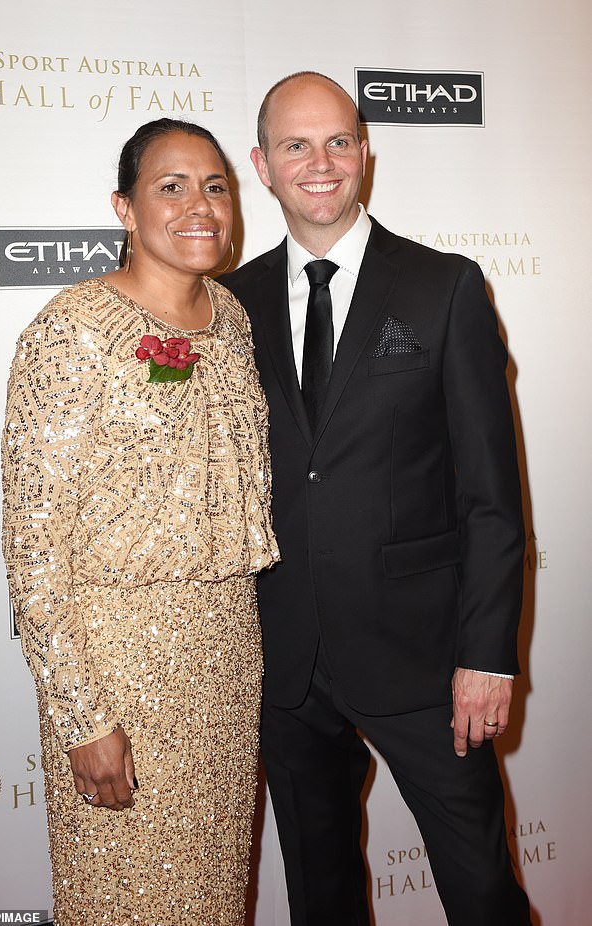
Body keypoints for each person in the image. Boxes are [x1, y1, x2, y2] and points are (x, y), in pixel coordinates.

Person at [221, 72, 532, 926]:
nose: (319, 164)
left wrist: (489, 656)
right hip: (287, 660)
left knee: (483, 894)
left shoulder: (444, 286)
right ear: (263, 165)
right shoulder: (230, 305)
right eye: (295, 146)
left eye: (338, 142)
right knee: (321, 898)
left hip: (427, 657)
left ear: (363, 153)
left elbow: (492, 495)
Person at [1, 117, 279, 926]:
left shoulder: (232, 320)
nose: (201, 206)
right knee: (123, 898)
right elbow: (33, 545)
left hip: (228, 661)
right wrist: (81, 715)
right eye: (172, 187)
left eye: (216, 186)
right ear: (125, 208)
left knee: (215, 898)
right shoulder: (72, 329)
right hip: (117, 667)